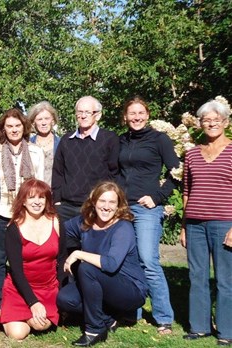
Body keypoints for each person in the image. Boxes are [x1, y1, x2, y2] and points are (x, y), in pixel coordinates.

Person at [56, 182, 147, 347]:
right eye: (102, 201)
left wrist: (78, 253)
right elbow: (59, 230)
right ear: (93, 202)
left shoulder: (123, 228)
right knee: (65, 299)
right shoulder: (85, 222)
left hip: (129, 289)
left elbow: (111, 264)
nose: (106, 207)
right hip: (100, 284)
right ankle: (108, 318)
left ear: (119, 205)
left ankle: (95, 329)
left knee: (87, 267)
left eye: (112, 202)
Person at [118, 96, 179, 334]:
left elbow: (177, 173)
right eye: (132, 113)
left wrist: (157, 197)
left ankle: (164, 318)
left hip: (146, 209)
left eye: (140, 113)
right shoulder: (121, 140)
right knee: (127, 261)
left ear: (147, 114)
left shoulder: (159, 139)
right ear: (125, 117)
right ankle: (132, 312)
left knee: (149, 261)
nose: (136, 117)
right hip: (122, 209)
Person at [52, 96, 119, 286]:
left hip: (94, 207)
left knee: (91, 253)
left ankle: (92, 296)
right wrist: (57, 201)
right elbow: (57, 173)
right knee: (63, 252)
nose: (82, 116)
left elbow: (114, 173)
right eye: (79, 112)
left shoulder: (109, 139)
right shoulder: (66, 140)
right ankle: (66, 296)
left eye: (87, 112)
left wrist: (107, 203)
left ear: (97, 115)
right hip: (66, 207)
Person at [181, 99, 232, 345]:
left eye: (216, 120)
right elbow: (187, 192)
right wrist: (183, 226)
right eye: (206, 120)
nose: (211, 124)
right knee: (197, 275)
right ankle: (199, 327)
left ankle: (226, 330)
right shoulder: (191, 154)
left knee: (225, 279)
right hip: (194, 225)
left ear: (225, 122)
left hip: (225, 224)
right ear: (200, 124)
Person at [0, 108, 44, 315]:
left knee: (23, 259)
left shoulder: (35, 151)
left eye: (17, 126)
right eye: (9, 126)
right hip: (2, 212)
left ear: (24, 127)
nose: (14, 130)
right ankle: (1, 301)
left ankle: (26, 298)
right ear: (3, 129)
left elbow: (40, 184)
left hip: (26, 213)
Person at [0, 179, 59, 340]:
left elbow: (62, 259)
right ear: (23, 201)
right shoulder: (13, 228)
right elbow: (16, 271)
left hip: (47, 288)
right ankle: (11, 311)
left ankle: (23, 315)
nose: (37, 202)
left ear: (47, 201)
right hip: (20, 288)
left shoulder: (56, 222)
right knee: (18, 334)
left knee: (41, 325)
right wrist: (33, 302)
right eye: (31, 197)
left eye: (42, 197)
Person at [28, 101, 61, 185]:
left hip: (55, 193)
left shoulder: (61, 144)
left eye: (47, 118)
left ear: (53, 121)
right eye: (39, 119)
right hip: (33, 193)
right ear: (33, 123)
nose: (43, 123)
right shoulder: (28, 144)